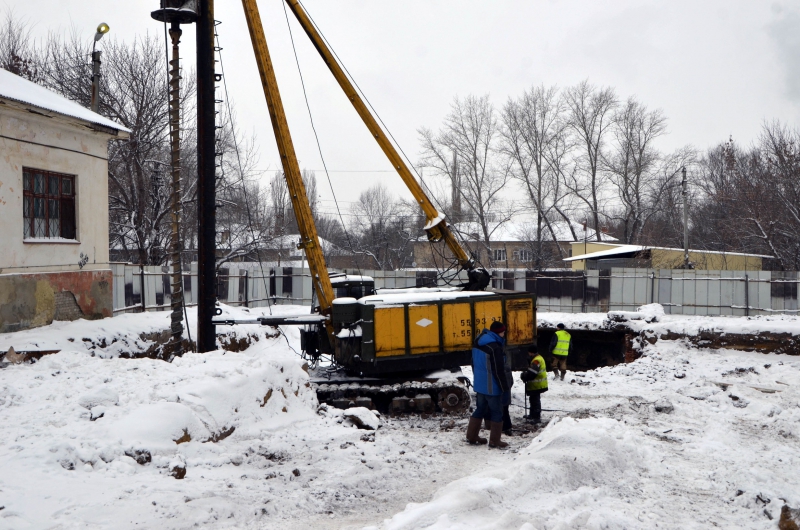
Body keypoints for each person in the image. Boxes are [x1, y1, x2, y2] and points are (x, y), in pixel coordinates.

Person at [465, 321, 509, 449]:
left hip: (480, 385)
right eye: (503, 331)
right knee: (497, 412)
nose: (504, 333)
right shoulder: (494, 348)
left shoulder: (477, 343)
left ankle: (472, 436)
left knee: (480, 409)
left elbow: (473, 364)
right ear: (498, 332)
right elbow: (498, 370)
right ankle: (495, 441)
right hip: (492, 387)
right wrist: (504, 387)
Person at [521, 345, 548, 424]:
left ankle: (536, 417)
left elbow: (532, 373)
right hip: (537, 384)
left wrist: (525, 376)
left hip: (537, 384)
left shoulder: (536, 360)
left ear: (531, 352)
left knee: (535, 400)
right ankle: (532, 415)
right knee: (533, 399)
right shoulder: (538, 358)